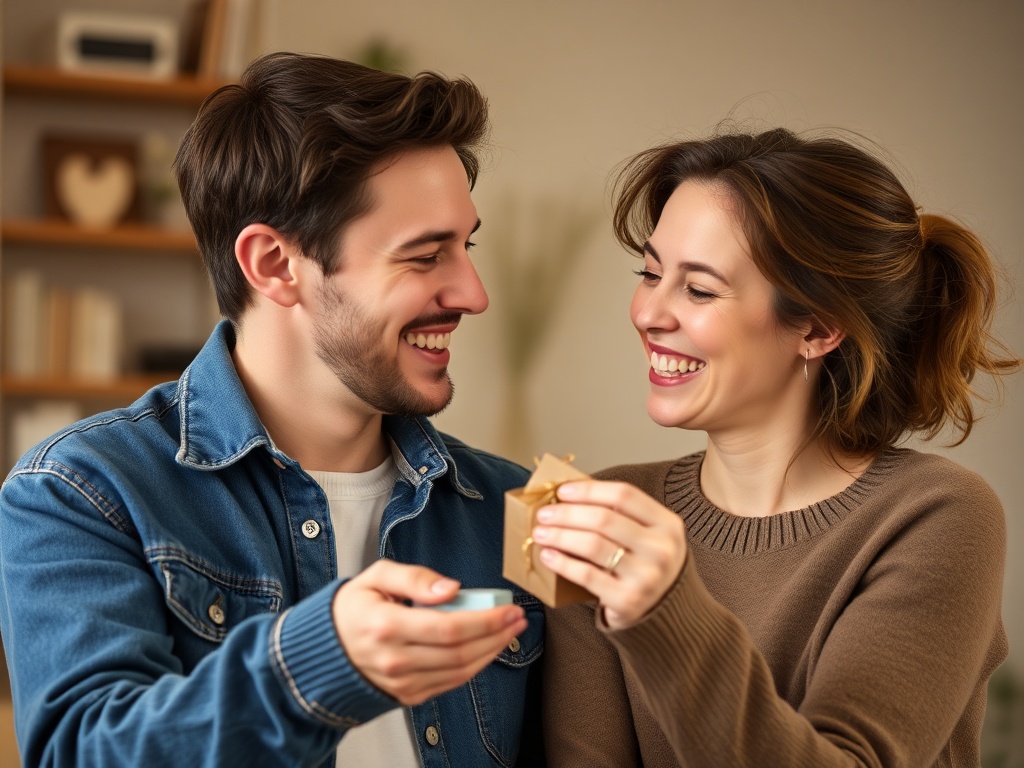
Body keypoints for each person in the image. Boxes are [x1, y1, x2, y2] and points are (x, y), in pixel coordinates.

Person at [0, 52, 545, 768]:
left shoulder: (515, 509)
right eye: (424, 256)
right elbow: (88, 754)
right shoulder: (80, 493)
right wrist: (318, 663)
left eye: (465, 247)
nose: (474, 294)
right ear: (274, 265)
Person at [536, 127, 1020, 766]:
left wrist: (666, 612)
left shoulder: (937, 515)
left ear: (817, 328)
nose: (650, 313)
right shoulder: (606, 509)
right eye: (649, 273)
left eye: (699, 289)